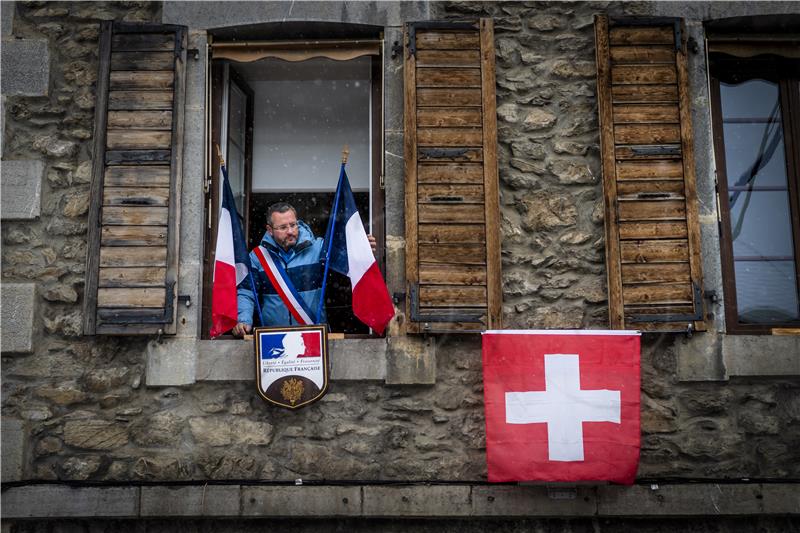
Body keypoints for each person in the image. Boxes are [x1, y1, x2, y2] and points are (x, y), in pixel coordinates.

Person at [232, 202, 375, 336]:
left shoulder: (318, 247)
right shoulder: (257, 257)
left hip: (314, 334)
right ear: (270, 230)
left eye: (293, 225)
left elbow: (344, 259)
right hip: (273, 338)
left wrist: (361, 248)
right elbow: (247, 292)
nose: (290, 231)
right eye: (283, 227)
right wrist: (243, 320)